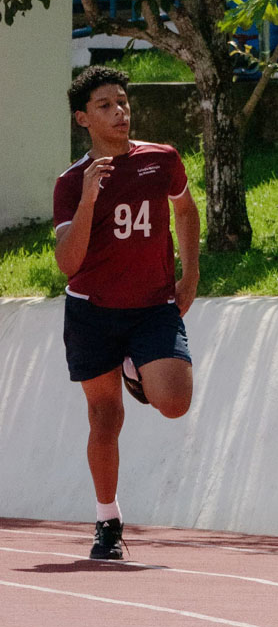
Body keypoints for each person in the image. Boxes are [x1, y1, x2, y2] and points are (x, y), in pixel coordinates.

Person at [54, 66, 200, 560]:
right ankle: (108, 520)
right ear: (83, 119)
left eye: (123, 102)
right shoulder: (71, 182)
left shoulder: (161, 159)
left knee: (175, 401)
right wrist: (91, 199)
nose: (120, 112)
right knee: (104, 417)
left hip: (153, 306)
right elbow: (67, 264)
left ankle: (137, 367)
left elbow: (184, 209)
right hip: (92, 311)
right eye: (105, 106)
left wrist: (191, 272)